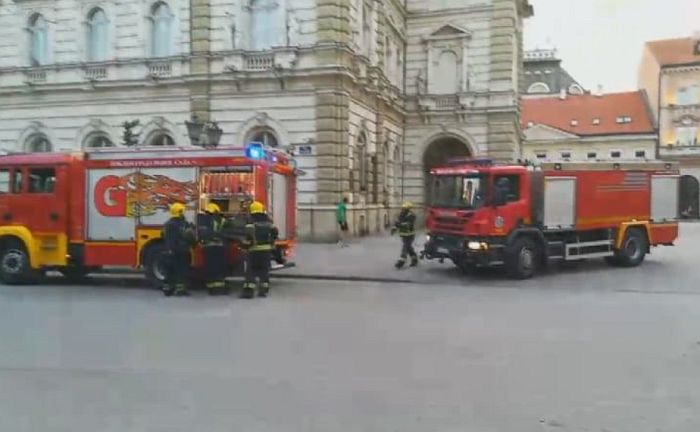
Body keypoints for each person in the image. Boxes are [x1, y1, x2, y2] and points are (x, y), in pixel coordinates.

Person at [241, 201, 278, 299]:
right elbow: (275, 231)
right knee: (264, 271)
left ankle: (249, 291)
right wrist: (271, 241)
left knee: (251, 270)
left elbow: (248, 234)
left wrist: (245, 244)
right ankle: (263, 291)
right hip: (266, 251)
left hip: (253, 250)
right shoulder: (268, 221)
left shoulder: (251, 221)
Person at [162, 202, 196, 297]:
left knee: (170, 270)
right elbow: (189, 236)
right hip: (182, 250)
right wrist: (194, 244)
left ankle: (167, 289)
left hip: (169, 250)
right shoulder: (183, 224)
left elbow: (163, 236)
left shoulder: (167, 224)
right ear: (180, 212)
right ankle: (180, 290)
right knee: (181, 270)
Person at [198, 202, 228, 295]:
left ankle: (211, 288)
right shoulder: (221, 220)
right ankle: (220, 288)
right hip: (219, 247)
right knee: (219, 268)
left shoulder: (202, 220)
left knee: (210, 268)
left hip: (208, 247)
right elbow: (227, 231)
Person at [392, 201, 418, 269]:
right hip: (403, 235)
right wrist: (394, 228)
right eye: (402, 208)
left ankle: (401, 261)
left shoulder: (412, 215)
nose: (403, 210)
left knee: (405, 247)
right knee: (409, 248)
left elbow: (408, 224)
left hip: (410, 235)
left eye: (404, 209)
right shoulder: (401, 214)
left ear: (408, 209)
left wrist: (399, 225)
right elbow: (397, 222)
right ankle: (414, 259)